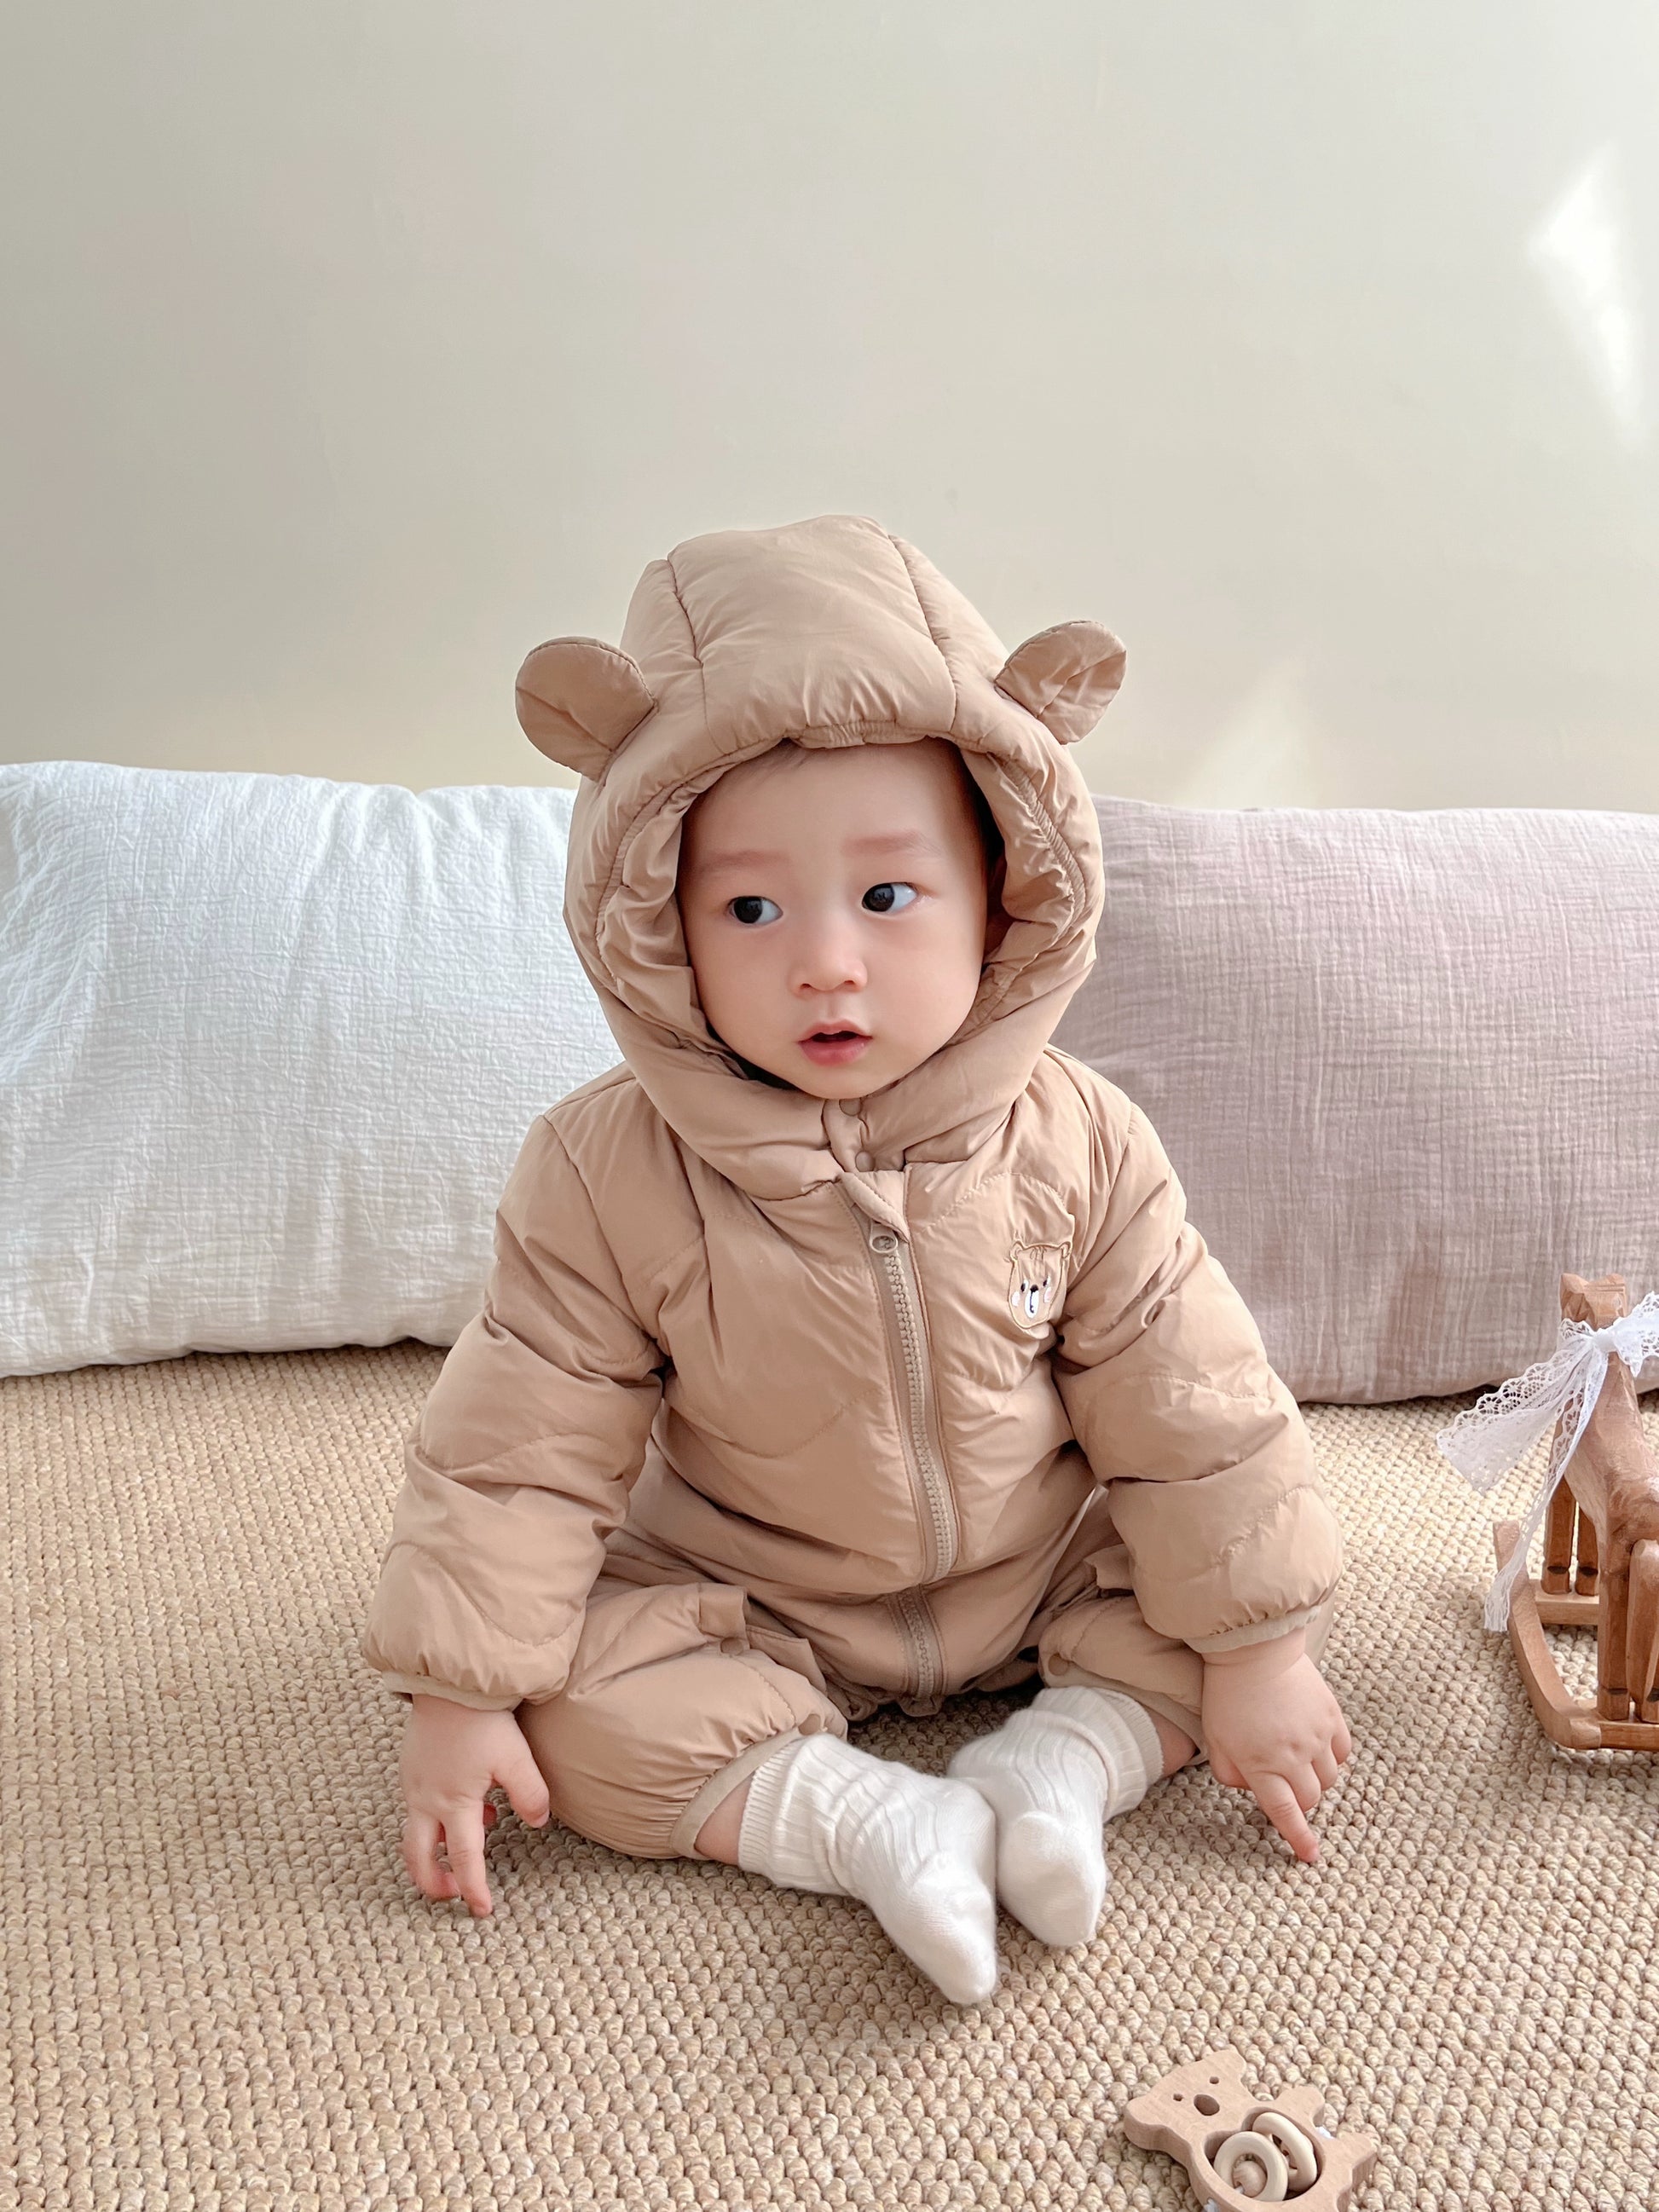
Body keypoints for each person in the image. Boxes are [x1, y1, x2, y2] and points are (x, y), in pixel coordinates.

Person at [361, 513, 1351, 2007]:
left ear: (1003, 897)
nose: (823, 961)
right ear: (658, 930)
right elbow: (522, 1452)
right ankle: (865, 1823)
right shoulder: (601, 1168)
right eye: (749, 908)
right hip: (750, 1589)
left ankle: (1056, 1770)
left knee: (1213, 1627)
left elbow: (1193, 1407)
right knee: (569, 1722)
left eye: (887, 897)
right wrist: (459, 1689)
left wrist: (1259, 1649)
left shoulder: (1078, 1136)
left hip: (1039, 1567)